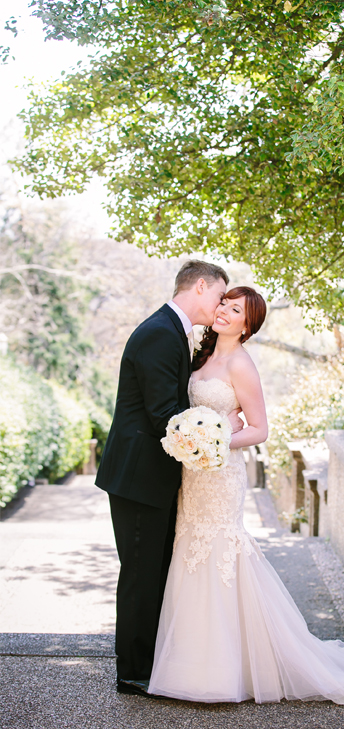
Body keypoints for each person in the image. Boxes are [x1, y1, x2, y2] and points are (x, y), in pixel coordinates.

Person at [147, 285, 344, 706]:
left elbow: (260, 429)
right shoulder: (199, 354)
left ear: (249, 326)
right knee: (189, 547)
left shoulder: (242, 365)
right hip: (192, 475)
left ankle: (224, 670)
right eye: (224, 303)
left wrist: (215, 441)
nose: (225, 311)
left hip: (220, 472)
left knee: (219, 555)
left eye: (236, 310)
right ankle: (187, 665)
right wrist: (189, 441)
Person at [97, 260, 235, 696]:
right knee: (140, 573)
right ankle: (133, 672)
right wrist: (207, 440)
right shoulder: (160, 333)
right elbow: (163, 415)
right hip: (139, 476)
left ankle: (149, 663)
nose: (218, 306)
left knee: (154, 570)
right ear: (199, 287)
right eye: (218, 296)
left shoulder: (173, 331)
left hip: (152, 476)